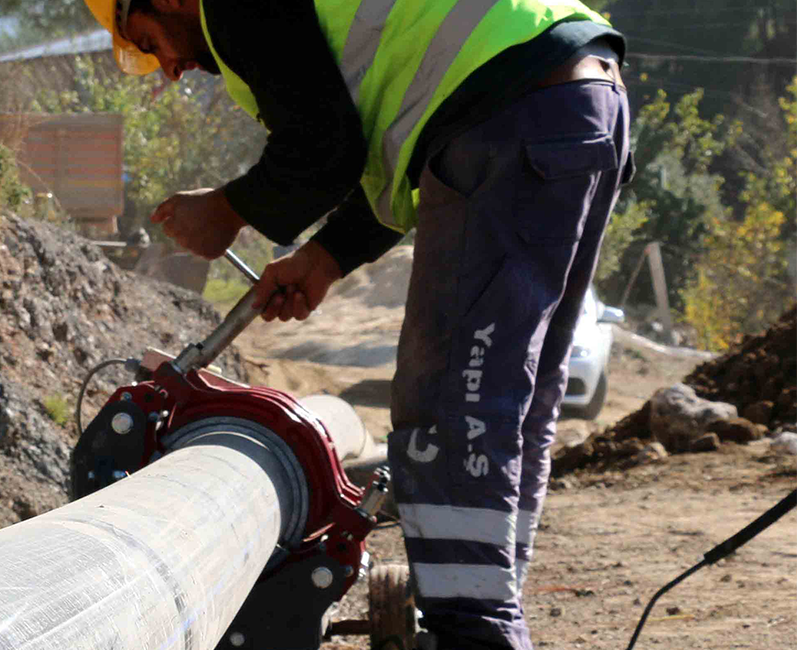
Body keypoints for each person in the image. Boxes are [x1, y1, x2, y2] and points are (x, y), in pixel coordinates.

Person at [81, 0, 633, 648]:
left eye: (149, 40)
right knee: (516, 402)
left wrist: (229, 207)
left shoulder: (229, 10)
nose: (170, 69)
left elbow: (322, 150)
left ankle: (475, 634)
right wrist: (325, 257)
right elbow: (393, 140)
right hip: (580, 100)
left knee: (449, 404)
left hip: (509, 112)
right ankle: (483, 611)